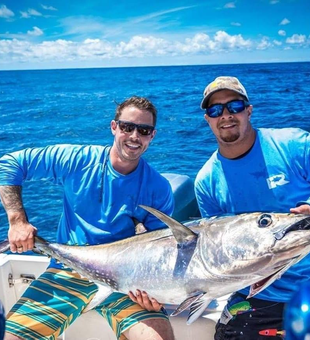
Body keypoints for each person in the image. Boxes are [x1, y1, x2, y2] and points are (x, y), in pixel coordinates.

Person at [0, 96, 175, 340]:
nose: (135, 136)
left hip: (126, 281)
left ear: (152, 136)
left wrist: (157, 294)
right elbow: (10, 163)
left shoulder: (159, 187)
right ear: (114, 127)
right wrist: (17, 220)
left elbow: (158, 251)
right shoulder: (77, 160)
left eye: (143, 130)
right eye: (127, 127)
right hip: (67, 272)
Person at [194, 76, 310, 340]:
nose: (225, 115)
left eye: (234, 106)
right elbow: (218, 252)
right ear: (208, 119)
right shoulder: (206, 182)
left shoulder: (294, 144)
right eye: (215, 110)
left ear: (248, 109)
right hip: (258, 292)